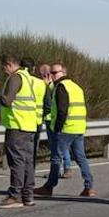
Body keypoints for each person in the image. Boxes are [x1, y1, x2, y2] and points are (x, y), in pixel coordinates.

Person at [35, 63, 95, 197]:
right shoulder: (76, 87)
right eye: (51, 72)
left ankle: (49, 187)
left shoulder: (61, 87)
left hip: (66, 128)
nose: (52, 75)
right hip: (78, 127)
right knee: (81, 158)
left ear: (63, 73)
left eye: (55, 72)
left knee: (56, 158)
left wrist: (57, 128)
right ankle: (89, 187)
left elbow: (62, 110)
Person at [0, 54, 40, 208]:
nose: (4, 71)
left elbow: (7, 101)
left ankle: (15, 196)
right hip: (29, 125)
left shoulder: (15, 78)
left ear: (9, 64)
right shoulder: (28, 78)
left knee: (17, 161)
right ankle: (28, 196)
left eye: (4, 67)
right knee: (27, 161)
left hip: (17, 125)